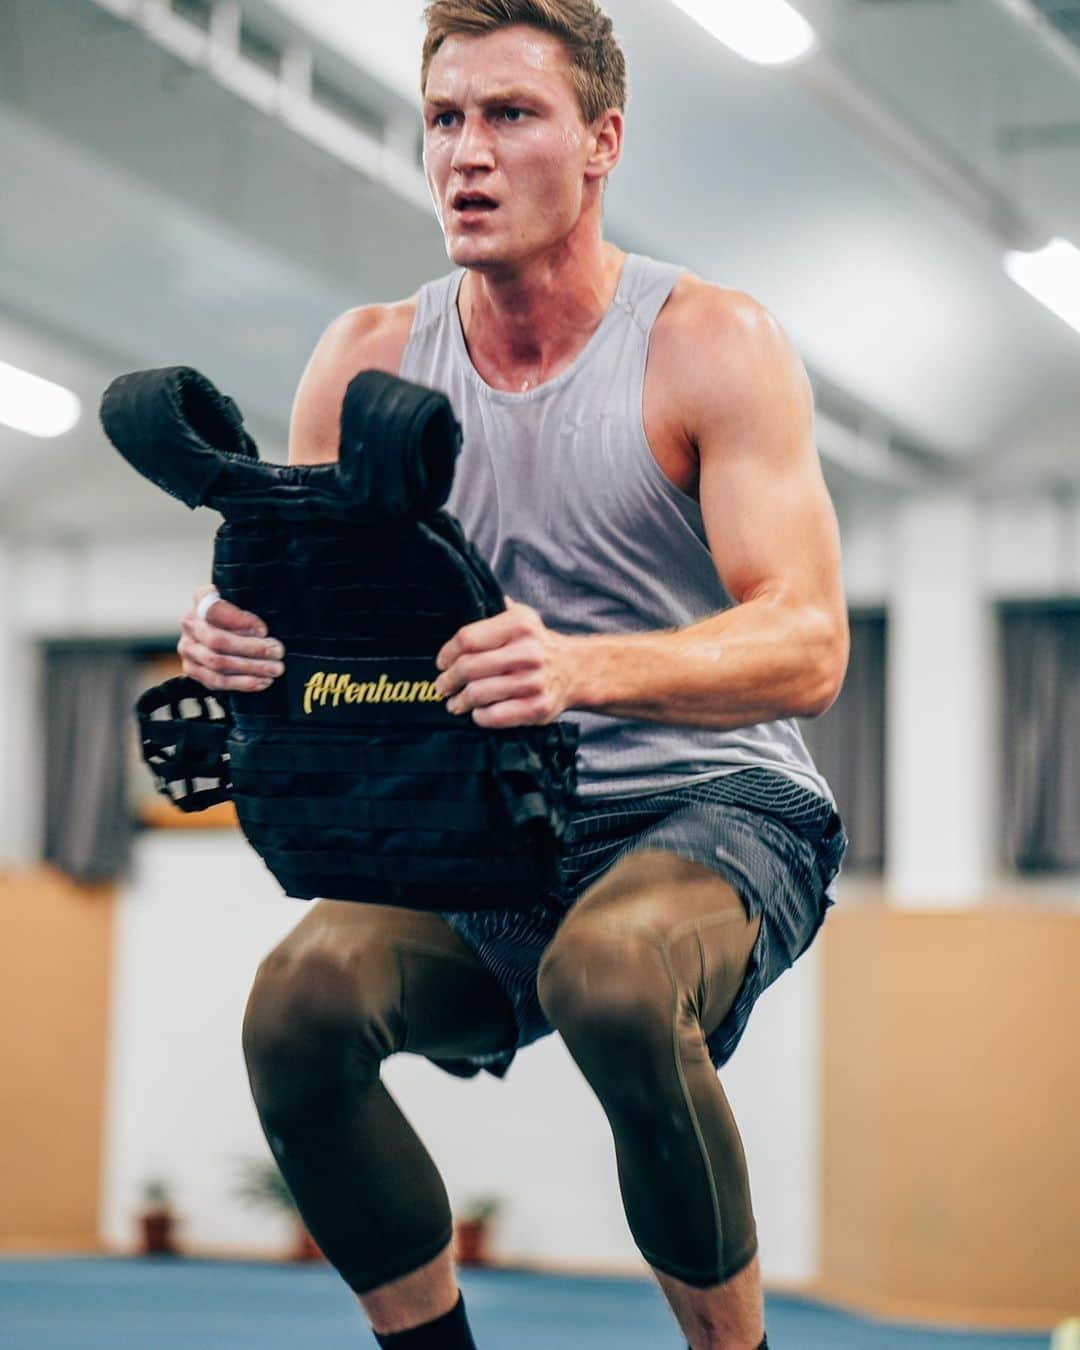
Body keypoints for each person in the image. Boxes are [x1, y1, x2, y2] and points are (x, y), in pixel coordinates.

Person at [177, 2, 850, 1346]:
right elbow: (324, 640)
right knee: (298, 1003)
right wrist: (246, 651)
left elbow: (809, 640)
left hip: (713, 811)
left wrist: (579, 664)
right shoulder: (368, 358)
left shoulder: (710, 342)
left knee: (609, 971)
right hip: (490, 831)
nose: (466, 154)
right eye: (444, 119)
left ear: (600, 144)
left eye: (511, 115)